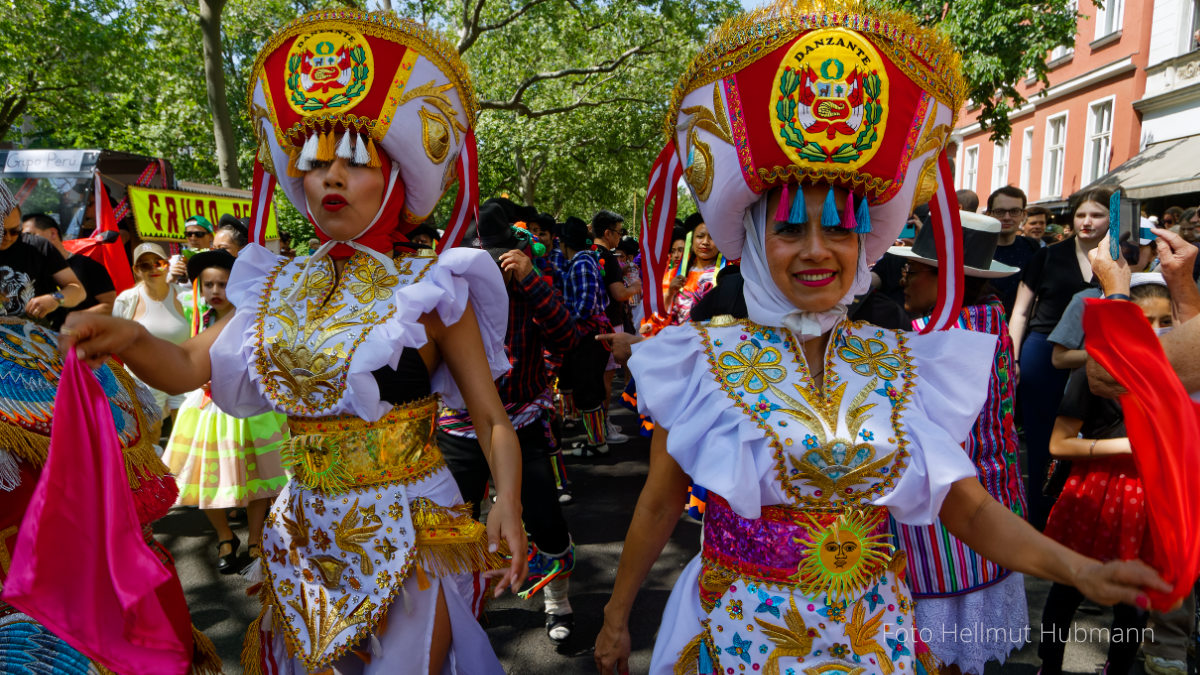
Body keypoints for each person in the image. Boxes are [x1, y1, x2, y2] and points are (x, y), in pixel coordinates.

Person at [593, 4, 1170, 674]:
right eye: (789, 229)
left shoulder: (901, 364)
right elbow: (661, 501)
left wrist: (1077, 567)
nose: (817, 251)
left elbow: (970, 509)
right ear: (753, 238)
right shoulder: (702, 358)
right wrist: (614, 618)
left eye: (838, 227)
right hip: (739, 633)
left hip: (874, 639)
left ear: (864, 238)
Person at [62, 11, 526, 673]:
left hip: (413, 527)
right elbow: (187, 363)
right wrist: (128, 334)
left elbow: (488, 417)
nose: (331, 177)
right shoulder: (272, 285)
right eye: (315, 164)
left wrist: (507, 499)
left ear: (393, 178)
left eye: (354, 162)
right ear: (298, 181)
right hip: (303, 534)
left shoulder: (433, 287)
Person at [889, 212, 1029, 674]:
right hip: (994, 502)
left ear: (947, 278)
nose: (903, 280)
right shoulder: (991, 320)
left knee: (934, 654)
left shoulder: (934, 339)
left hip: (948, 522)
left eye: (914, 271)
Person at [439, 201, 580, 643]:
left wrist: (531, 280)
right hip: (459, 425)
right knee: (453, 523)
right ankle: (465, 604)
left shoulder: (530, 284)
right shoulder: (447, 294)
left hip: (521, 419)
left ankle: (557, 599)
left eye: (495, 259)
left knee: (544, 517)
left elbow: (567, 335)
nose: (488, 269)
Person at [1039, 275, 1178, 675]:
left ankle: (1117, 669)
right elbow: (1058, 443)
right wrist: (1127, 448)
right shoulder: (1094, 370)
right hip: (1094, 492)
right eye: (1144, 320)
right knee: (1067, 587)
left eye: (1165, 320)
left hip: (1151, 494)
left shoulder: (1177, 372)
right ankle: (1049, 665)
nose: (1156, 330)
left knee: (1133, 598)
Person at [159, 249, 289, 574]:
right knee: (206, 482)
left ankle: (256, 538)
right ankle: (224, 535)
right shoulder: (193, 314)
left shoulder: (254, 319)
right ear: (200, 288)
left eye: (223, 284)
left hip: (251, 411)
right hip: (207, 411)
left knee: (261, 477)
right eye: (209, 285)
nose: (216, 291)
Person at [1009, 187, 1110, 529]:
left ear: (1111, 218)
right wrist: (1015, 359)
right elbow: (1021, 313)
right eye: (1081, 215)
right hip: (1043, 352)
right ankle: (1039, 521)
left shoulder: (1121, 257)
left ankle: (1078, 518)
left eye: (1096, 215)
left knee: (1089, 439)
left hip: (1097, 355)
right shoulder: (1047, 256)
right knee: (1042, 441)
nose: (1086, 221)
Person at [112, 243, 191, 420]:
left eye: (159, 263)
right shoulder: (126, 300)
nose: (153, 269)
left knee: (184, 434)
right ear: (136, 270)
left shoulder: (186, 297)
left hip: (182, 376)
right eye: (145, 265)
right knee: (152, 435)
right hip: (144, 380)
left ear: (167, 265)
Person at [558, 217, 615, 456]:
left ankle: (597, 444)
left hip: (588, 335)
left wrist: (562, 322)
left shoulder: (581, 263)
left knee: (588, 390)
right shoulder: (585, 261)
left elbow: (585, 305)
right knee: (590, 387)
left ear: (563, 242)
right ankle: (597, 439)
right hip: (591, 334)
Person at [0, 184, 86, 322]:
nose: (8, 237)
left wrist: (55, 299)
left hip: (35, 336)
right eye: (2, 232)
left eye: (15, 231)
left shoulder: (38, 246)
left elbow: (77, 290)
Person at [20, 212, 116, 329]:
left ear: (53, 233)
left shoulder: (87, 265)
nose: (27, 242)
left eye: (31, 235)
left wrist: (76, 319)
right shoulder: (31, 271)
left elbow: (110, 305)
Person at [985, 186, 1040, 317]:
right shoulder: (975, 249)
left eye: (1014, 211)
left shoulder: (1032, 248)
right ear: (989, 214)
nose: (1007, 217)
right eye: (1000, 211)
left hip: (1020, 327)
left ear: (1023, 215)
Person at [169, 216, 214, 283]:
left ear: (210, 237)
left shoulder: (218, 260)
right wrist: (172, 278)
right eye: (189, 234)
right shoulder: (175, 261)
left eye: (199, 234)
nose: (193, 238)